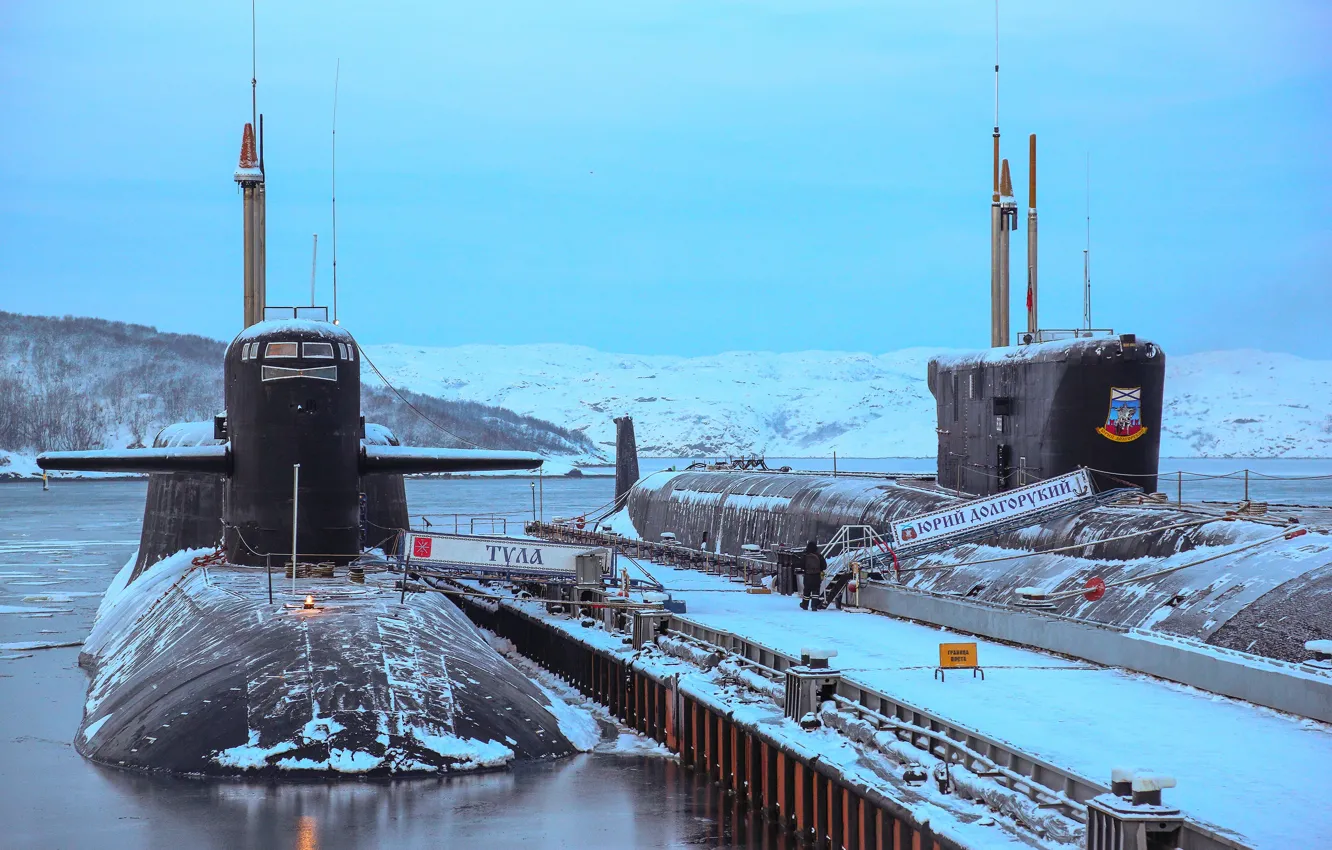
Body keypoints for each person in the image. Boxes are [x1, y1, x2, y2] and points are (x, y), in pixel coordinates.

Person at [799, 540, 827, 611]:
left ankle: (805, 605)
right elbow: (824, 566)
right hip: (816, 576)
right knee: (816, 592)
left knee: (806, 591)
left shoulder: (805, 556)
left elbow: (801, 565)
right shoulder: (819, 556)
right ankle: (814, 606)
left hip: (807, 576)